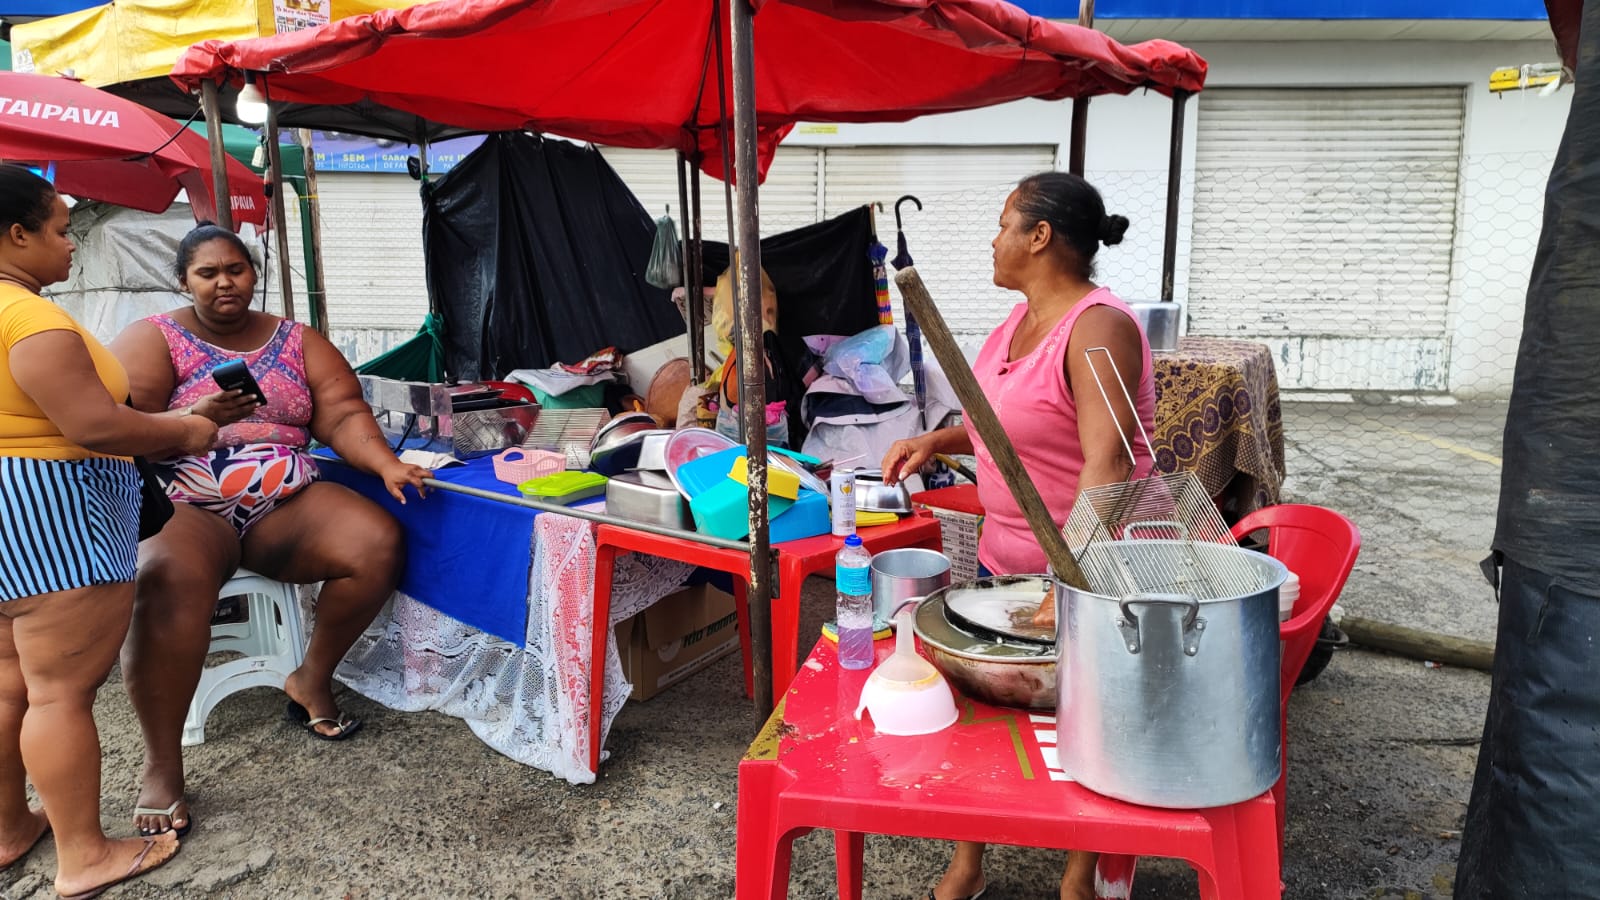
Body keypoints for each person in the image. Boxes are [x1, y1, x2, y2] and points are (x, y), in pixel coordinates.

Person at [881, 171, 1155, 900]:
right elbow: (1001, 425)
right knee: (982, 708)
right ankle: (969, 864)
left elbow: (1110, 460)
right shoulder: (1017, 321)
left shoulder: (1100, 327)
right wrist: (941, 441)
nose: (993, 239)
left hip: (1089, 569)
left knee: (1084, 721)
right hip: (1007, 565)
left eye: (1005, 223)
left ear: (1040, 236)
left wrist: (1072, 584)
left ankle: (1078, 878)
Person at [109, 224, 430, 839]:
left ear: (254, 274)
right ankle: (162, 762)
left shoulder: (296, 338)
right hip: (189, 502)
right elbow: (123, 422)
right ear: (184, 281)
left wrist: (387, 463)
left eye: (237, 269)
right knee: (165, 581)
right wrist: (189, 419)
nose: (225, 282)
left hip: (284, 500)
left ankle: (310, 677)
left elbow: (340, 411)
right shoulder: (154, 338)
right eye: (208, 273)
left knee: (375, 542)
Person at [0, 166, 221, 897]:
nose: (72, 247)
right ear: (17, 233)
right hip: (54, 506)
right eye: (62, 230)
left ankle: (8, 828)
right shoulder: (28, 318)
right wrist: (185, 429)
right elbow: (93, 424)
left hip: (7, 509)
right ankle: (85, 855)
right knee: (61, 690)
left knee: (9, 684)